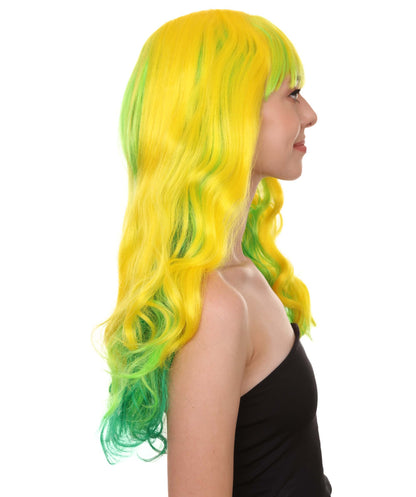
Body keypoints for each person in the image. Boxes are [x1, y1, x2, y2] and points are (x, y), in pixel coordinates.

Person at [94, 8, 332, 496]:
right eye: (292, 94)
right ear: (227, 112)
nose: (310, 114)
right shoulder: (216, 308)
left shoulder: (245, 276)